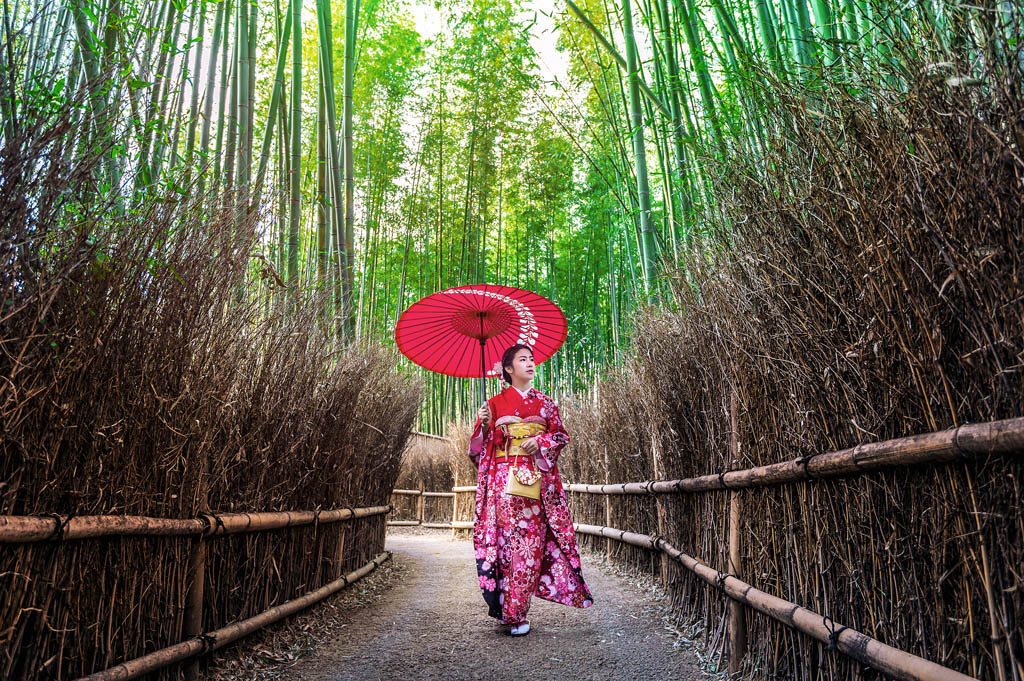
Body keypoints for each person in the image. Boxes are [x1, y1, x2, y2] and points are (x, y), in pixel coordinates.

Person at [468, 343, 593, 636]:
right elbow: (478, 451)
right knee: (504, 547)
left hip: (535, 483)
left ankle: (517, 612)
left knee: (529, 547)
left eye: (531, 359)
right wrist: (485, 426)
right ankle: (507, 607)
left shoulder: (546, 403)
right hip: (502, 483)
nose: (530, 363)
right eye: (522, 360)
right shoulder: (494, 404)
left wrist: (542, 442)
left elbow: (561, 435)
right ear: (508, 369)